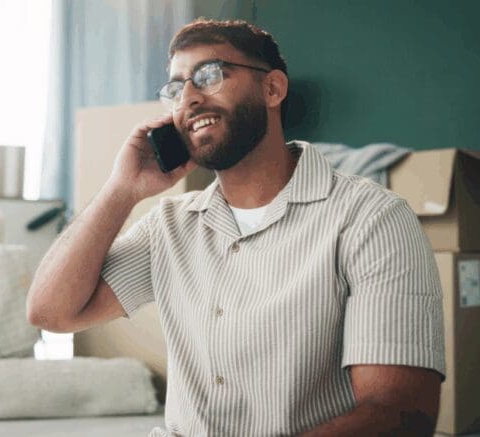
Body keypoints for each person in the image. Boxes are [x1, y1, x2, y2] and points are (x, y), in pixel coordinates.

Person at [26, 18, 444, 436]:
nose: (189, 98)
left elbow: (399, 414)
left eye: (210, 75)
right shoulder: (169, 226)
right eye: (176, 88)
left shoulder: (372, 218)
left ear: (272, 89)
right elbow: (50, 312)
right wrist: (121, 189)